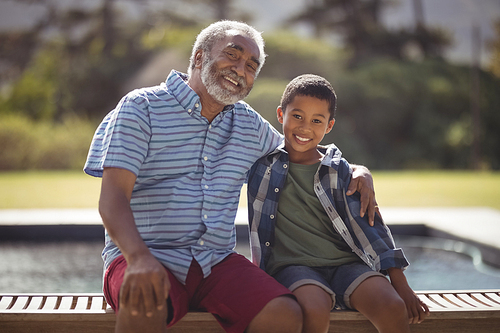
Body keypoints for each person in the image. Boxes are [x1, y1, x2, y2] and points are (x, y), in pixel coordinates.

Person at [84, 21, 377, 333]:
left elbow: (303, 150)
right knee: (145, 299)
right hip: (143, 253)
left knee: (283, 312)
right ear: (199, 57)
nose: (241, 69)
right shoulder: (141, 107)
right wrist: (139, 259)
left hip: (215, 263)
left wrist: (355, 169)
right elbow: (113, 198)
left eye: (251, 65)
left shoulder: (249, 125)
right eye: (232, 55)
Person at [247, 74, 430, 333]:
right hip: (293, 267)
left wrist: (401, 285)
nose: (305, 128)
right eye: (297, 116)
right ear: (281, 114)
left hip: (348, 264)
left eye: (317, 120)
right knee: (313, 308)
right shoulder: (261, 165)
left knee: (391, 306)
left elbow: (371, 226)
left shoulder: (339, 171)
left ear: (329, 125)